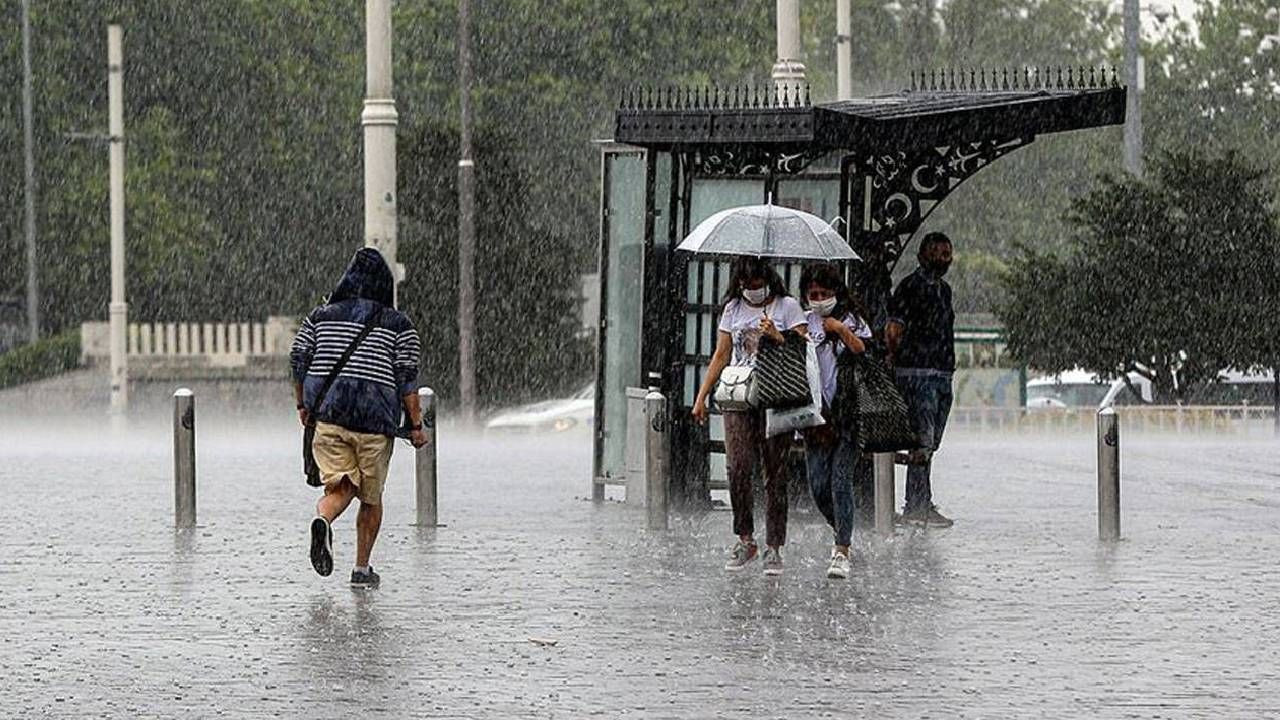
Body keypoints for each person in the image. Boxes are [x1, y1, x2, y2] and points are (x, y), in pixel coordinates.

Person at [290, 248, 428, 588]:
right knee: (371, 497)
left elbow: (298, 359)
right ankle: (362, 570)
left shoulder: (320, 317)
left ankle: (323, 518)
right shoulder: (399, 325)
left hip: (330, 417)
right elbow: (407, 379)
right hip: (375, 423)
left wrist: (303, 405)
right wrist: (415, 426)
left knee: (341, 486)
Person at [692, 256, 808, 576]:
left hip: (775, 396)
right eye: (745, 284)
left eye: (756, 284)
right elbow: (722, 354)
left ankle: (774, 545)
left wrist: (777, 335)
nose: (751, 290)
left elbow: (804, 349)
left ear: (767, 279)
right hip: (740, 396)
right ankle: (745, 537)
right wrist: (702, 396)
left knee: (774, 471)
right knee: (738, 466)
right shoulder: (733, 309)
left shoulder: (787, 307)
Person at [799, 263, 873, 579]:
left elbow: (863, 349)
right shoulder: (804, 322)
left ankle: (842, 549)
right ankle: (842, 527)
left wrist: (840, 329)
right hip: (817, 417)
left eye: (825, 293)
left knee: (840, 480)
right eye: (813, 294)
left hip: (849, 414)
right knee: (818, 485)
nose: (819, 299)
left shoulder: (851, 319)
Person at [886, 232, 956, 528]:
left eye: (947, 253)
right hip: (916, 374)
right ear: (922, 256)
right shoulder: (909, 288)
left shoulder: (944, 290)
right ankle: (917, 504)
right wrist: (896, 360)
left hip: (941, 373)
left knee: (931, 441)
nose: (943, 259)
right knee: (921, 440)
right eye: (937, 253)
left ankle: (920, 500)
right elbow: (893, 330)